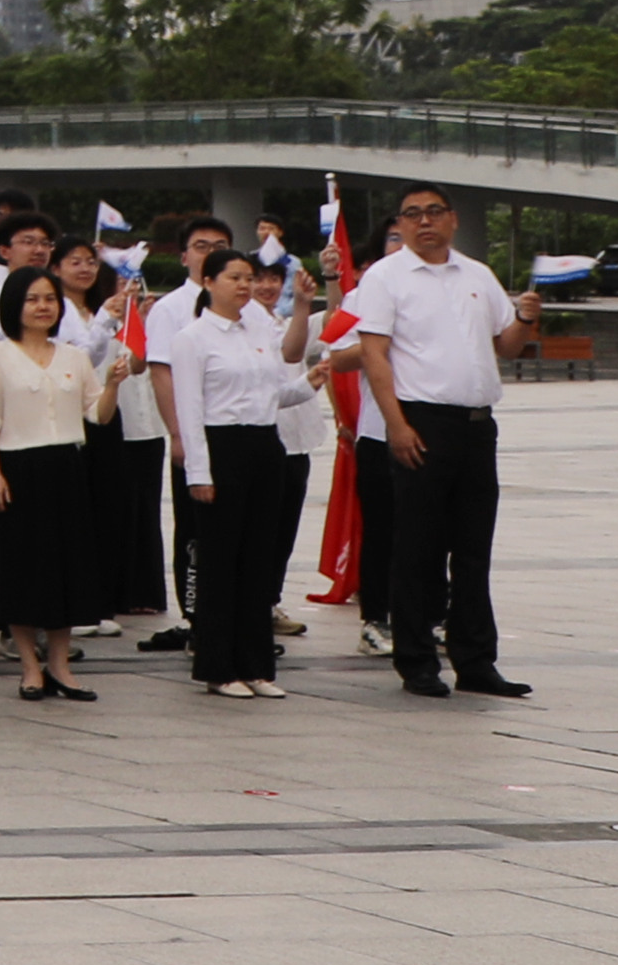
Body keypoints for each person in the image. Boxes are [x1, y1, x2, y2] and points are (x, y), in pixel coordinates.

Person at [351, 189, 530, 698]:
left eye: (433, 213)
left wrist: (527, 318)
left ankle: (475, 660)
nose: (423, 222)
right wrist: (396, 425)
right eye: (411, 215)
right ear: (400, 225)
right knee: (417, 547)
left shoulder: (477, 274)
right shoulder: (385, 277)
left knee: (473, 548)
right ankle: (417, 661)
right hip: (422, 422)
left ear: (452, 220)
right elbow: (374, 355)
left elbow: (507, 345)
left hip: (476, 424)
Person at [165, 244, 316, 696]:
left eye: (249, 277)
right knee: (220, 562)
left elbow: (273, 394)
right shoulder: (192, 338)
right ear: (209, 283)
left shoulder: (261, 330)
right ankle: (219, 666)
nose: (245, 286)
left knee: (259, 560)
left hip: (265, 445)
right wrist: (199, 472)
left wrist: (308, 384)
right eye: (234, 277)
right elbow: (190, 409)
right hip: (221, 447)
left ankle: (257, 666)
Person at [0, 266, 113, 700]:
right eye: (32, 299)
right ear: (15, 304)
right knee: (21, 567)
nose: (42, 307)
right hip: (17, 467)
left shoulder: (74, 356)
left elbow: (97, 414)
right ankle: (30, 666)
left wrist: (116, 385)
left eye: (49, 299)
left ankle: (61, 666)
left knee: (67, 566)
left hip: (66, 468)